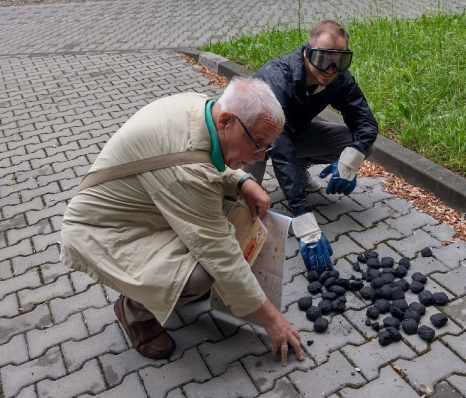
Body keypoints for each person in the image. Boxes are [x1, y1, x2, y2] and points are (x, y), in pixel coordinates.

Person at [60, 78, 303, 366]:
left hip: (144, 209)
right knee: (202, 275)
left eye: (267, 147)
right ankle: (135, 311)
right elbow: (220, 254)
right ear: (226, 121)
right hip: (102, 230)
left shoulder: (203, 109)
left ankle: (162, 288)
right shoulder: (188, 172)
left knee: (220, 218)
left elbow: (200, 158)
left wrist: (242, 180)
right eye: (258, 143)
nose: (260, 156)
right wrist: (272, 320)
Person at [246, 20, 378, 273]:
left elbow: (366, 123)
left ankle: (301, 165)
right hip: (253, 141)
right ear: (307, 53)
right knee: (244, 201)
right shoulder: (276, 78)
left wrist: (349, 162)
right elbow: (281, 150)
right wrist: (304, 221)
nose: (330, 69)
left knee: (363, 147)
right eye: (322, 58)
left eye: (339, 61)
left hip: (294, 135)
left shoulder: (338, 80)